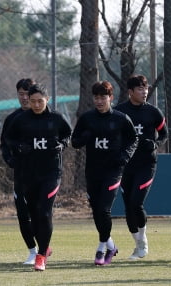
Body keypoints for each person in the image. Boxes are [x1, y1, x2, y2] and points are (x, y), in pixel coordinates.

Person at [5, 83, 71, 271]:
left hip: (51, 173)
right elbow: (9, 138)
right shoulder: (20, 119)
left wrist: (62, 144)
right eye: (32, 101)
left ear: (47, 100)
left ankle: (41, 256)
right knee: (33, 216)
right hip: (28, 173)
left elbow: (67, 134)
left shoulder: (56, 118)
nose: (35, 104)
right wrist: (18, 147)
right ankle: (45, 246)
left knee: (45, 212)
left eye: (40, 101)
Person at [71, 81, 137, 266]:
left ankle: (101, 248)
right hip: (93, 171)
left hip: (113, 171)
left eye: (103, 97)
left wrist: (125, 156)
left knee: (104, 209)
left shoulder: (121, 118)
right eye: (96, 97)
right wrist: (84, 137)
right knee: (96, 211)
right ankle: (111, 246)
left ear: (111, 98)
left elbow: (133, 139)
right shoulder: (87, 118)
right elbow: (75, 141)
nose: (99, 101)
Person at [114, 75, 168, 260]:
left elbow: (164, 134)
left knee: (136, 203)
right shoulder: (119, 112)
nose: (144, 92)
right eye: (140, 89)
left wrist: (155, 144)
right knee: (128, 207)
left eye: (145, 88)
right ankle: (137, 245)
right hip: (126, 165)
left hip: (146, 164)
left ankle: (143, 241)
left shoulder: (153, 112)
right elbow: (113, 135)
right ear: (130, 92)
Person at [0, 78, 38, 264]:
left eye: (27, 94)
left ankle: (43, 246)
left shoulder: (48, 117)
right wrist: (10, 159)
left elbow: (62, 139)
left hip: (44, 175)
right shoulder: (12, 119)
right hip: (21, 175)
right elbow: (4, 144)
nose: (24, 98)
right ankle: (32, 251)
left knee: (40, 214)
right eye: (20, 94)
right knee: (23, 213)